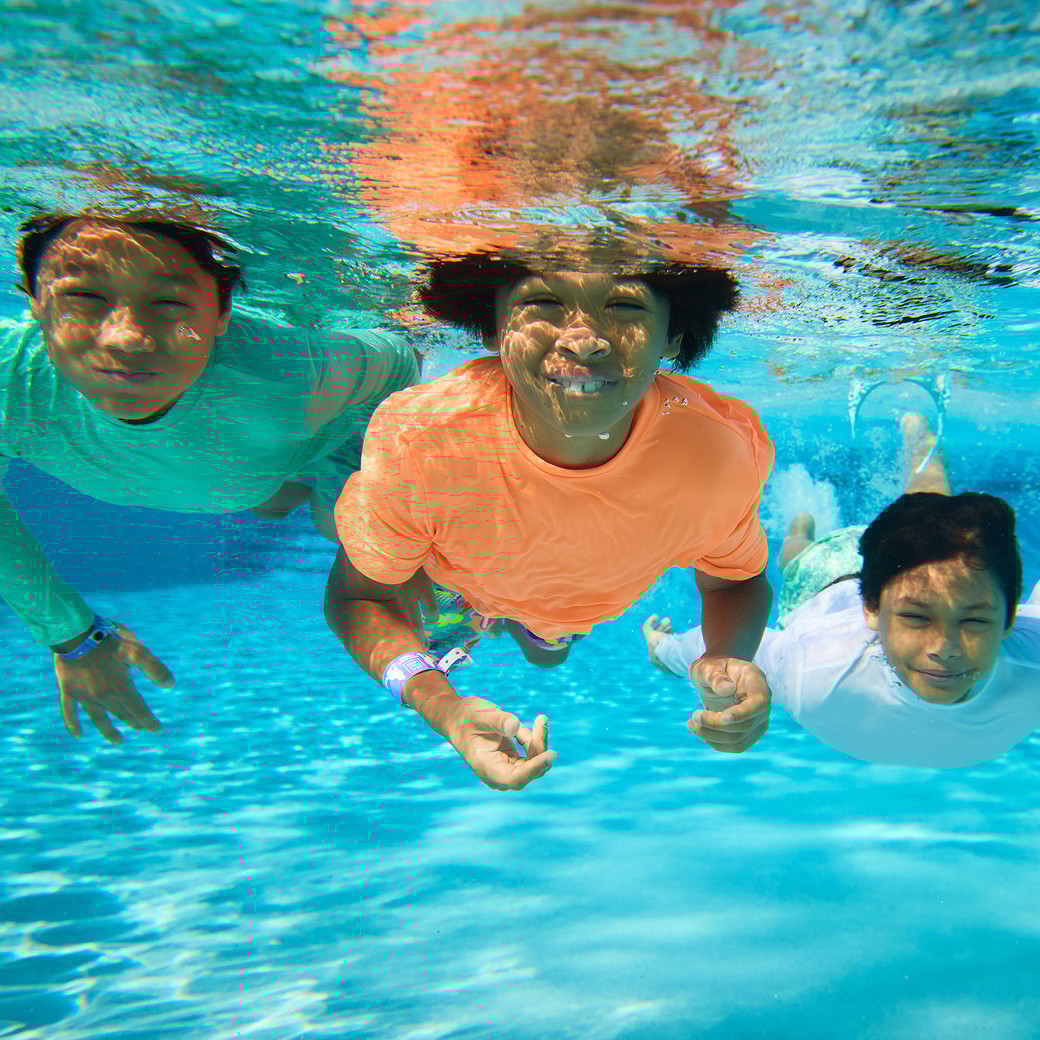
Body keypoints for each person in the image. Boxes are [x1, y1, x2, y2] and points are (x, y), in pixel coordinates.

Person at [324, 246, 776, 791]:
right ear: (492, 328)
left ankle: (529, 629)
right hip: (456, 585)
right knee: (449, 628)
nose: (583, 338)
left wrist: (726, 657)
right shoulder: (425, 444)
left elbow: (736, 578)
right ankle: (502, 622)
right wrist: (442, 706)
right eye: (542, 300)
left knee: (547, 653)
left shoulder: (715, 452)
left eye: (625, 306)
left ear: (674, 336)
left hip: (573, 607)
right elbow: (360, 596)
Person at [2, 211, 418, 745]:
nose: (126, 338)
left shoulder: (288, 372)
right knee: (265, 500)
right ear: (34, 300)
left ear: (223, 313)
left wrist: (372, 499)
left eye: (169, 303)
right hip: (242, 470)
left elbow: (402, 359)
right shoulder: (9, 380)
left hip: (316, 444)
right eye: (84, 298)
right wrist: (72, 636)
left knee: (341, 527)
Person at [644, 415, 1040, 768]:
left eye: (974, 620)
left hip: (900, 573)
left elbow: (721, 656)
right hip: (824, 582)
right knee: (801, 554)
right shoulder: (816, 671)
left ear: (1008, 619)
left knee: (939, 525)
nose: (945, 647)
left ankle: (906, 451)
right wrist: (663, 649)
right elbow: (722, 656)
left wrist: (664, 651)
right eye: (917, 618)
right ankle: (809, 523)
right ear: (870, 609)